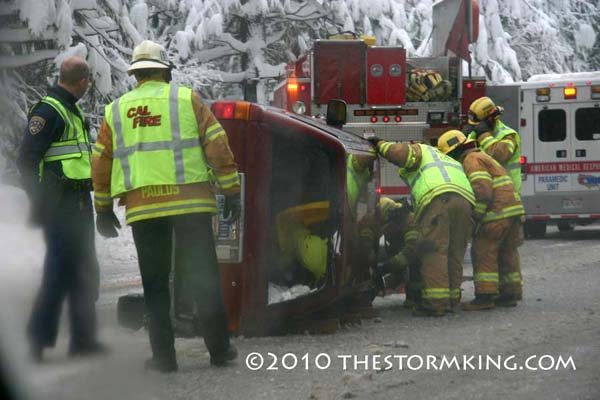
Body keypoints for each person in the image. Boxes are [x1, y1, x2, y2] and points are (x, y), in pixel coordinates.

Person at [92, 40, 240, 372]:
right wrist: (231, 192)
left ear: (136, 75)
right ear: (165, 71)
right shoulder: (187, 99)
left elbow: (101, 162)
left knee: (155, 284)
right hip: (191, 205)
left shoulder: (116, 110)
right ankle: (219, 350)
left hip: (145, 209)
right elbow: (217, 146)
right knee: (203, 276)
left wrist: (102, 208)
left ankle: (164, 358)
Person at [17, 57, 106, 361]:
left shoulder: (71, 109)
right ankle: (37, 342)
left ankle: (83, 339)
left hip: (78, 202)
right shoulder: (49, 110)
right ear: (82, 81)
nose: (88, 86)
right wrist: (41, 201)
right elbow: (26, 160)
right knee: (58, 273)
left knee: (83, 271)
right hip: (61, 205)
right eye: (88, 81)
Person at [368, 137, 475, 316]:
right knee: (454, 252)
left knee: (433, 251)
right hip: (465, 201)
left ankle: (437, 304)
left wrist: (379, 144)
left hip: (439, 199)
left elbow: (400, 153)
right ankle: (451, 299)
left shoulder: (423, 151)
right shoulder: (446, 159)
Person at [437, 130, 525, 309]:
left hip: (496, 213)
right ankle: (510, 293)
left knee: (484, 251)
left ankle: (485, 297)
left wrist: (476, 218)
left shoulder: (471, 160)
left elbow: (482, 190)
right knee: (507, 252)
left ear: (454, 152)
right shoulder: (483, 156)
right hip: (513, 210)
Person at [465, 96, 522, 194]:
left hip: (507, 193)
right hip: (486, 192)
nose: (476, 126)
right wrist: (463, 138)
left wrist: (483, 134)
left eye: (479, 123)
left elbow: (498, 155)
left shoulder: (508, 135)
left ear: (491, 119)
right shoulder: (476, 133)